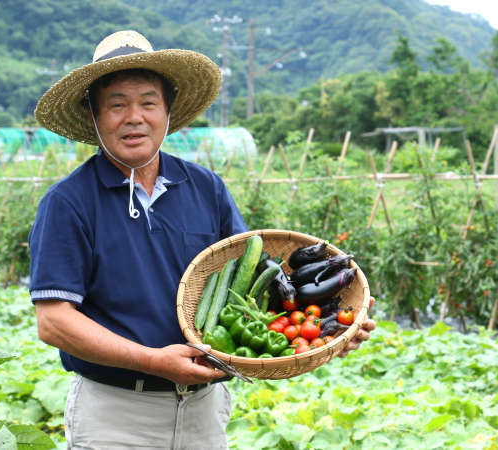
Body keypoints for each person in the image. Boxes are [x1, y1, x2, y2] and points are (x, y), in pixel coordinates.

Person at [29, 30, 376, 450]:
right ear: (93, 116)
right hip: (116, 414)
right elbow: (54, 322)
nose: (134, 117)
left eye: (148, 103)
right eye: (117, 104)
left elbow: (252, 288)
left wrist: (327, 331)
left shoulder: (206, 188)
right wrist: (153, 361)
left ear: (168, 112)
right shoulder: (69, 203)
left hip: (205, 410)